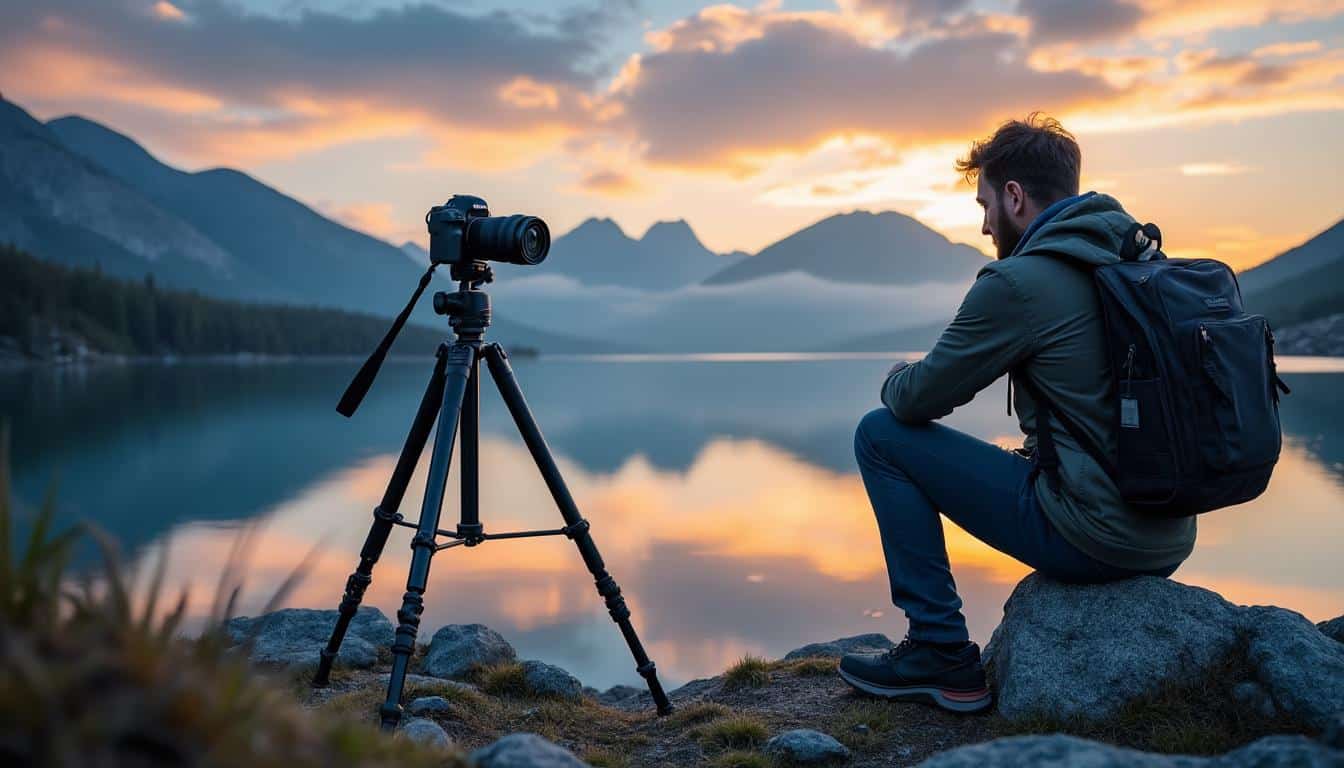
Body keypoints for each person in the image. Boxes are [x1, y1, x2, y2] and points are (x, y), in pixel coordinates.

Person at [838, 114, 1195, 713]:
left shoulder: (1020, 281)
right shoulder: (1135, 259)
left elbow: (917, 400)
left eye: (984, 205)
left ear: (1014, 195)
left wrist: (895, 377)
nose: (982, 225)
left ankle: (940, 652)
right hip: (1169, 535)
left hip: (1092, 534)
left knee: (879, 435)